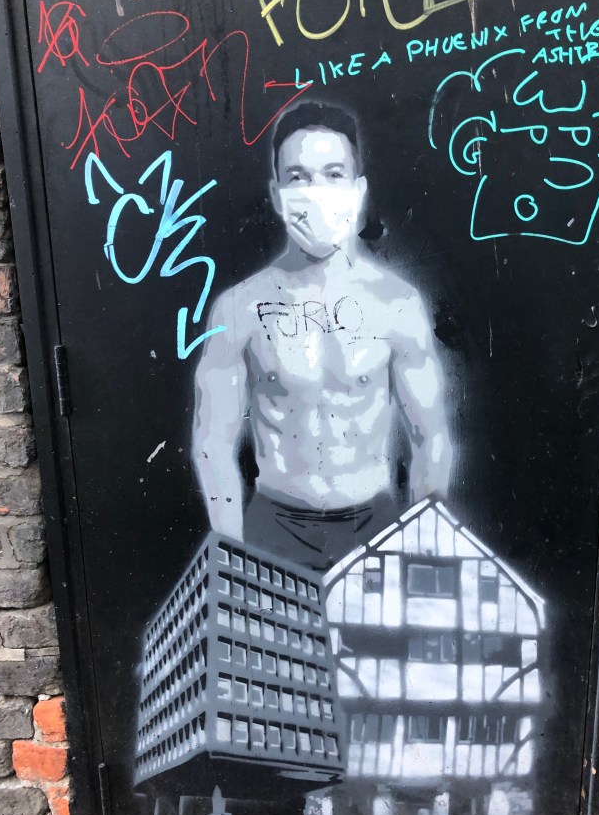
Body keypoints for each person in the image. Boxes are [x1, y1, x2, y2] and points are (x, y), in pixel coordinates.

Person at [193, 102, 452, 570]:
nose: (316, 192)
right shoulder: (239, 309)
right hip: (274, 527)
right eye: (298, 177)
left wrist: (422, 549)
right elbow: (213, 442)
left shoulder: (397, 304)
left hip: (374, 525)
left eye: (333, 174)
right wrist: (231, 556)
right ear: (277, 194)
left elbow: (430, 436)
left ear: (358, 190)